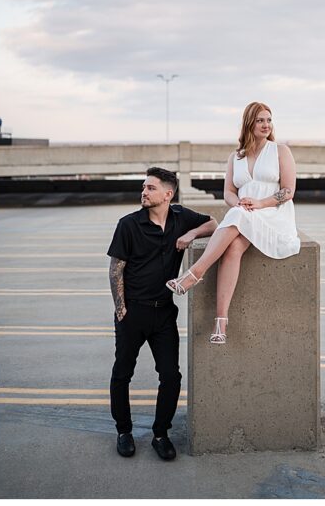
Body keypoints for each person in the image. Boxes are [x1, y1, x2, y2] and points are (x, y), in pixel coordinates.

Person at [165, 101, 300, 344]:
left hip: (273, 213)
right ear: (249, 123)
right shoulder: (235, 157)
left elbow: (288, 191)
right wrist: (239, 203)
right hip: (245, 212)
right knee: (234, 247)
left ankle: (194, 274)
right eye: (260, 120)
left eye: (269, 120)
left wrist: (259, 203)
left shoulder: (281, 151)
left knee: (237, 217)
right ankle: (221, 322)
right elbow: (228, 192)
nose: (266, 125)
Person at [107, 167, 217, 461]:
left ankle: (160, 434)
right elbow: (115, 268)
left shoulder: (181, 218)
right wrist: (121, 309)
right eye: (143, 187)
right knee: (122, 374)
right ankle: (124, 431)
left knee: (170, 376)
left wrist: (192, 233)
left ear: (168, 194)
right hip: (133, 312)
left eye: (151, 188)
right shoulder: (128, 224)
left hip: (164, 314)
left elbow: (214, 223)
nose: (144, 192)